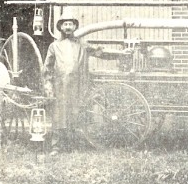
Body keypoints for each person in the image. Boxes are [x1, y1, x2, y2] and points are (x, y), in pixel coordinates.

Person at [42, 9, 127, 153]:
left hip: (79, 87)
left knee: (78, 114)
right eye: (65, 24)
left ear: (75, 27)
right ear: (60, 27)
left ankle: (75, 145)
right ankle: (56, 147)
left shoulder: (82, 44)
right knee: (59, 116)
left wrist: (120, 54)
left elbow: (101, 52)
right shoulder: (54, 46)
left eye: (70, 24)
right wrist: (48, 86)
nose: (68, 27)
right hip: (60, 87)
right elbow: (47, 69)